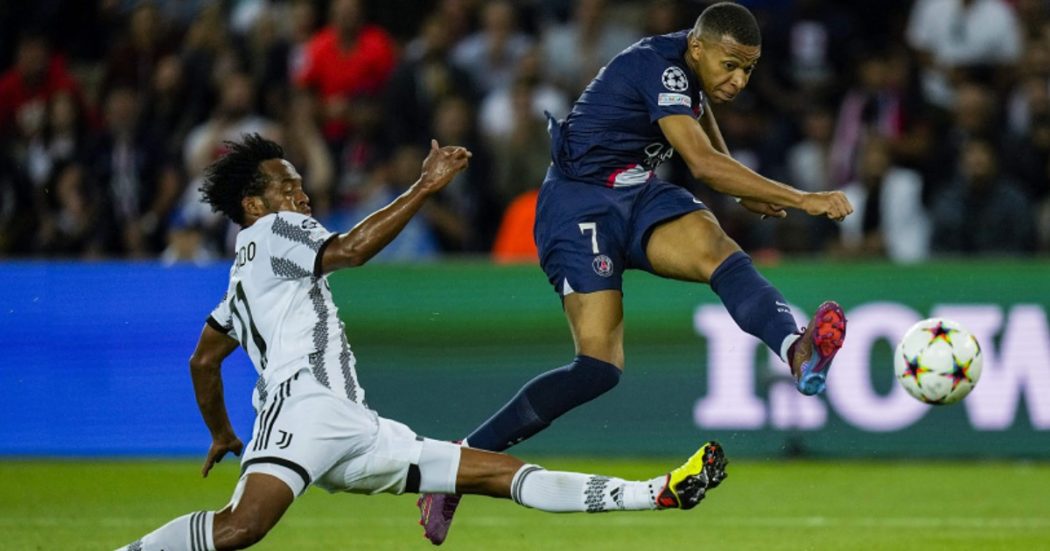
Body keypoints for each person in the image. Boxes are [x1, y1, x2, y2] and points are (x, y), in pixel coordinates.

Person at [114, 134, 729, 551]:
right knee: (240, 528)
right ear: (254, 204)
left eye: (299, 185)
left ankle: (657, 493)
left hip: (353, 426)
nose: (301, 196)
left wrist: (222, 432)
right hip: (304, 408)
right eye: (286, 186)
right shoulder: (277, 231)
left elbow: (204, 358)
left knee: (494, 475)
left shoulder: (243, 275)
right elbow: (351, 250)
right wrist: (425, 186)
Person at [418, 3, 853, 545]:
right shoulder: (660, 66)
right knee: (598, 367)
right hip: (577, 205)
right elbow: (702, 162)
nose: (740, 81)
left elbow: (700, 119)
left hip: (636, 191)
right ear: (698, 48)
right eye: (731, 66)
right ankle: (457, 464)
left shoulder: (690, 62)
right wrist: (803, 198)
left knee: (717, 249)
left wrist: (741, 187)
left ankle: (795, 347)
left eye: (748, 69)